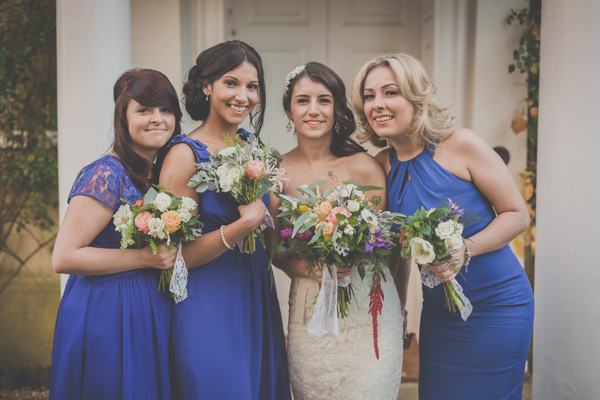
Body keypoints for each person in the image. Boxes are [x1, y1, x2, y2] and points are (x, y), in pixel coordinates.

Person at [352, 53, 534, 400]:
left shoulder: (460, 144)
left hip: (497, 306)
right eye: (369, 95)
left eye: (390, 92)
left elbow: (516, 214)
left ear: (415, 97)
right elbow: (397, 251)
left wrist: (467, 248)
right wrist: (398, 311)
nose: (378, 104)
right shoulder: (382, 165)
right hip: (439, 313)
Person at [158, 40, 290, 399]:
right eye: (231, 83)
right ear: (207, 86)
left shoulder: (255, 149)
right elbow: (176, 258)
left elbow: (276, 234)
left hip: (255, 297)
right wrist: (241, 226)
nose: (243, 96)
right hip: (206, 303)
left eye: (252, 86)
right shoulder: (183, 155)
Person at [266, 62, 405, 400]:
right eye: (302, 100)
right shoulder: (275, 174)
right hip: (309, 309)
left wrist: (398, 314)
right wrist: (308, 267)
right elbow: (274, 251)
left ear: (337, 108)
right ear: (288, 109)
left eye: (324, 100)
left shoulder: (365, 166)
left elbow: (393, 250)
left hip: (370, 309)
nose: (313, 110)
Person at [49, 68, 182, 400]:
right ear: (123, 117)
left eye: (166, 110)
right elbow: (64, 256)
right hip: (106, 311)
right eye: (144, 110)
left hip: (147, 307)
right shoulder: (106, 174)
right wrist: (142, 257)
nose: (158, 119)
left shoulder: (160, 172)